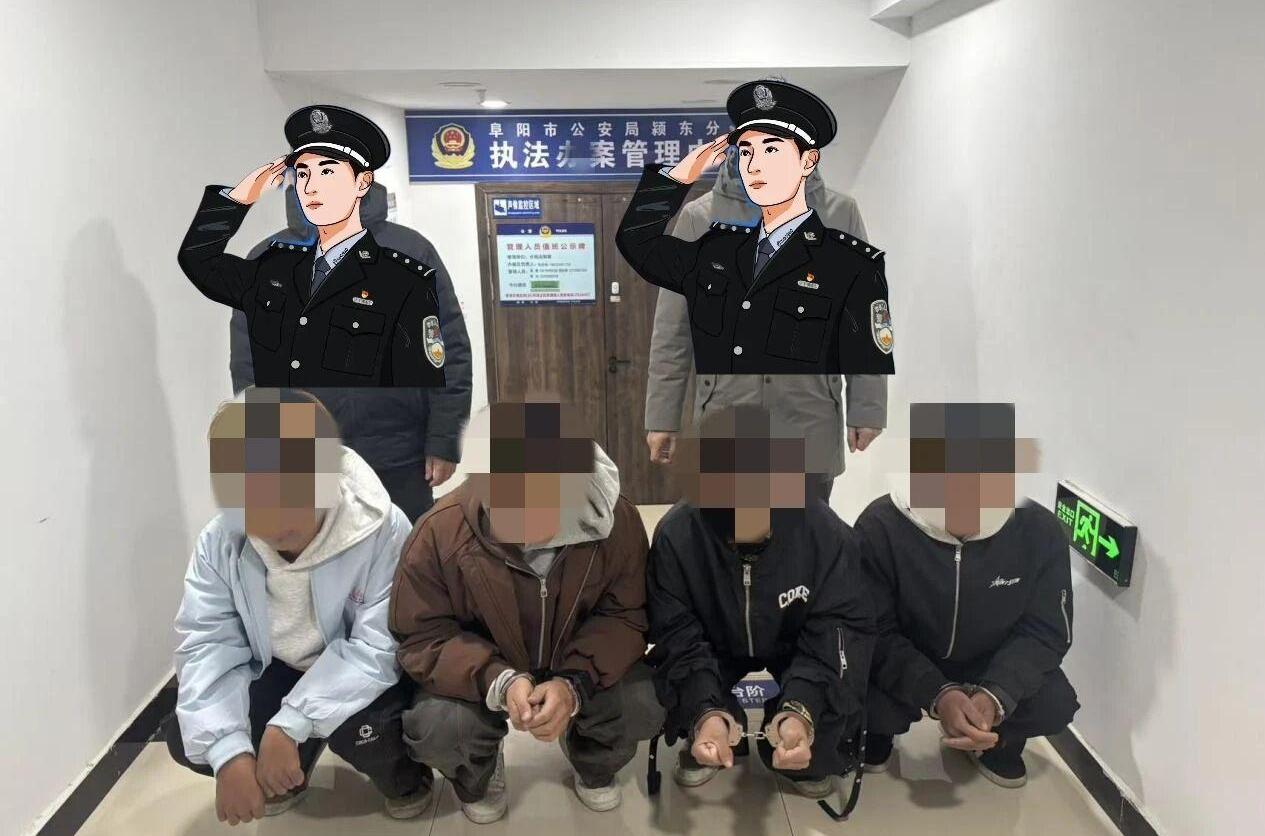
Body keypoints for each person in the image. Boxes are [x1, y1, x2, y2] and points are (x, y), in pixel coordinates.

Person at [390, 400, 664, 824]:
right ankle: (479, 771)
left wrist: (574, 684)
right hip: (485, 666)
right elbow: (421, 635)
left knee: (644, 701)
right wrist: (497, 679)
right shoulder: (439, 531)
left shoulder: (616, 521)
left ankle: (591, 757)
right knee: (438, 726)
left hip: (577, 656)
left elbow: (627, 615)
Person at [166, 388, 431, 825]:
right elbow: (207, 642)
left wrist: (291, 722)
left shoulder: (381, 526)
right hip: (278, 665)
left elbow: (379, 645)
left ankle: (405, 779)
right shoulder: (219, 543)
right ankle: (289, 770)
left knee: (367, 733)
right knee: (192, 737)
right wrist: (229, 751)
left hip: (356, 668)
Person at [642, 90, 887, 502]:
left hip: (809, 420)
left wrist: (868, 407)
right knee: (728, 536)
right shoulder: (699, 220)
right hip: (727, 419)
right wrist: (662, 416)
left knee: (808, 536)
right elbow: (673, 331)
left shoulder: (839, 215)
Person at [646, 405, 875, 799]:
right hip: (714, 643)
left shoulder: (828, 536)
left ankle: (790, 730)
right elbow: (676, 634)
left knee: (824, 732)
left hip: (794, 643)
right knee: (679, 697)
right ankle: (715, 722)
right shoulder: (676, 536)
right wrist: (705, 712)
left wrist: (800, 712)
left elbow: (838, 631)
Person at [855, 402, 1079, 788]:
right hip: (910, 654)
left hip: (989, 661)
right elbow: (873, 629)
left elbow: (1045, 632)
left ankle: (994, 740)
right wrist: (937, 692)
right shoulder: (880, 528)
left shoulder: (1040, 533)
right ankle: (878, 734)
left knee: (1054, 702)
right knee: (859, 690)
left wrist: (996, 695)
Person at [228, 179, 473, 521]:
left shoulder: (410, 252)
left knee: (405, 553)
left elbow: (447, 351)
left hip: (400, 455)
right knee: (323, 553)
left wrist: (444, 440)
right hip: (309, 458)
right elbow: (250, 367)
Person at [616, 79, 895, 376]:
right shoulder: (715, 248)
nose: (753, 166)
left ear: (808, 160)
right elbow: (641, 251)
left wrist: (866, 407)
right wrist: (679, 176)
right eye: (746, 152)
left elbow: (866, 357)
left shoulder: (849, 250)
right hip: (724, 404)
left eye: (771, 149)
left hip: (806, 405)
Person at [177, 104, 446, 387]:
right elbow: (199, 261)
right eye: (303, 174)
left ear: (362, 182)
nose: (310, 187)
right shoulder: (273, 268)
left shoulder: (404, 282)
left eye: (327, 172)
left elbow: (419, 394)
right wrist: (239, 198)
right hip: (276, 418)